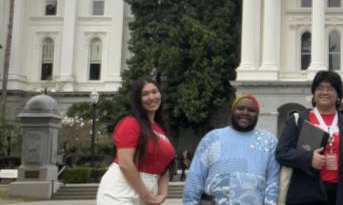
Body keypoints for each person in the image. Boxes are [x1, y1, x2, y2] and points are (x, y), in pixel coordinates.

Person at [276, 70, 343, 205]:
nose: (325, 92)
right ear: (314, 94)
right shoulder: (298, 120)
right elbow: (281, 153)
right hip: (305, 194)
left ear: (338, 94)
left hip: (341, 196)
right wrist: (309, 159)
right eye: (320, 88)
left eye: (330, 88)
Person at [182, 93, 280, 204]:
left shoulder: (269, 141)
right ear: (233, 111)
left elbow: (273, 182)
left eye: (251, 110)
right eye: (240, 108)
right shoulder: (212, 138)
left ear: (257, 115)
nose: (245, 113)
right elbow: (196, 176)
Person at [97, 77, 176, 205]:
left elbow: (165, 166)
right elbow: (125, 163)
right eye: (145, 94)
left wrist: (162, 193)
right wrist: (146, 195)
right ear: (137, 100)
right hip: (121, 190)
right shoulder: (130, 123)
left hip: (148, 191)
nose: (151, 97)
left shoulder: (160, 129)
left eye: (154, 91)